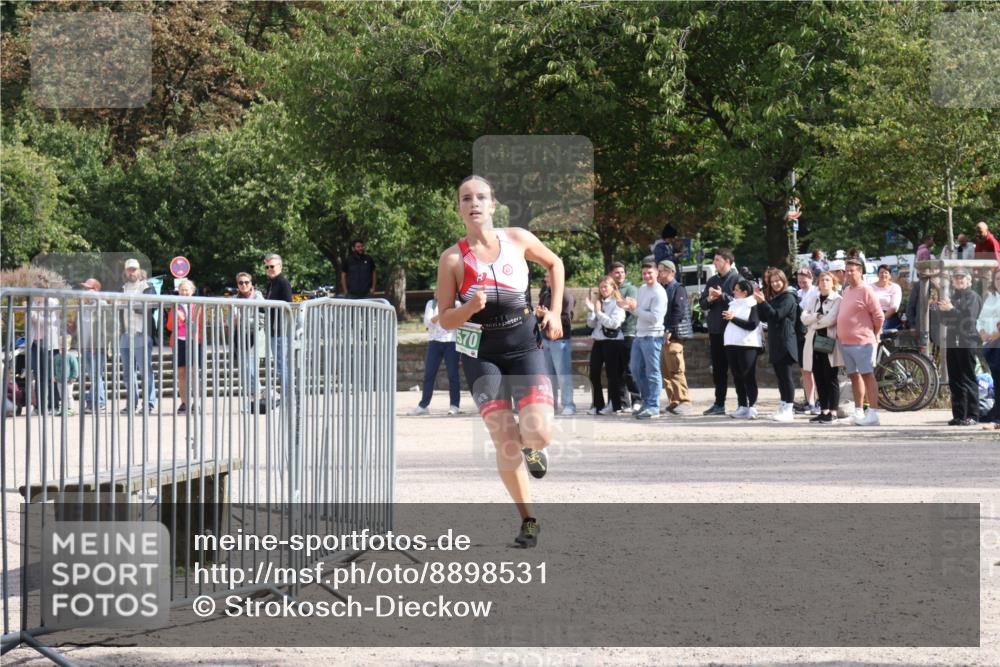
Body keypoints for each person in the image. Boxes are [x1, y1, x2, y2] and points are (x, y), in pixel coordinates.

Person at [435, 175, 564, 548]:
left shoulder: (518, 239)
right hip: (480, 355)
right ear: (459, 208)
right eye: (465, 198)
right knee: (505, 441)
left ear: (493, 205)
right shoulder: (453, 259)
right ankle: (529, 520)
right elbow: (444, 317)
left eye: (481, 197)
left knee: (539, 433)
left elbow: (554, 264)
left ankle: (532, 446)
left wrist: (554, 313)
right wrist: (467, 309)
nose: (474, 203)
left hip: (524, 348)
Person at [836, 258, 884, 426]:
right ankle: (858, 411)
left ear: (860, 272)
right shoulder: (847, 290)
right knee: (854, 377)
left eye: (852, 270)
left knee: (867, 376)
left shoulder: (866, 290)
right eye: (847, 270)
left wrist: (874, 333)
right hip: (846, 342)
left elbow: (879, 317)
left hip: (863, 342)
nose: (848, 273)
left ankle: (873, 413)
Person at [622, 261, 667, 419]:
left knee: (653, 372)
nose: (647, 276)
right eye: (644, 273)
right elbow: (638, 313)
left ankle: (653, 406)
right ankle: (647, 402)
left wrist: (635, 309)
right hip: (639, 335)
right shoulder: (641, 289)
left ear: (657, 274)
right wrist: (627, 307)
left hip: (653, 336)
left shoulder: (659, 293)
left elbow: (655, 318)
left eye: (650, 273)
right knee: (635, 370)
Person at [698, 248, 741, 415]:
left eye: (717, 260)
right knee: (718, 370)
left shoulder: (737, 279)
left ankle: (742, 404)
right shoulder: (712, 280)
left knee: (737, 369)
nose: (715, 263)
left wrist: (722, 295)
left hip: (733, 330)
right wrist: (709, 298)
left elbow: (742, 301)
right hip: (715, 330)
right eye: (714, 260)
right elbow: (702, 304)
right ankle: (719, 404)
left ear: (727, 262)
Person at [753, 269, 799, 422]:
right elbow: (764, 316)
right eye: (772, 282)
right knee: (780, 377)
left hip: (786, 341)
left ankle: (789, 409)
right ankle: (783, 405)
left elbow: (776, 315)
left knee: (786, 377)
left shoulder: (788, 297)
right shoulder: (776, 297)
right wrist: (760, 302)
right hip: (776, 342)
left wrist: (763, 302)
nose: (775, 284)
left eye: (777, 280)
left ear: (783, 280)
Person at [939, 268, 982, 425]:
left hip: (967, 341)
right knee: (955, 379)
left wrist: (951, 310)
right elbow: (944, 321)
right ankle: (959, 415)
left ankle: (973, 415)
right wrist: (942, 310)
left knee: (968, 378)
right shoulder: (953, 297)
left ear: (969, 280)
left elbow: (969, 320)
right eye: (956, 278)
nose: (958, 280)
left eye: (961, 278)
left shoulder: (973, 297)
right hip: (952, 341)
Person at [408, 294, 462, 416]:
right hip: (434, 342)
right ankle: (423, 405)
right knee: (429, 374)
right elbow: (427, 323)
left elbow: (457, 321)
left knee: (453, 375)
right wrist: (443, 315)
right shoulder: (431, 304)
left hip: (451, 342)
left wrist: (439, 318)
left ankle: (454, 405)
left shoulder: (457, 304)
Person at [801, 272, 843, 424]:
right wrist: (816, 318)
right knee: (818, 376)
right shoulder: (813, 298)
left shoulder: (838, 299)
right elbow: (803, 318)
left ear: (833, 283)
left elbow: (831, 320)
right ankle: (823, 410)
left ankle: (833, 412)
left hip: (828, 340)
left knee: (830, 376)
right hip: (814, 340)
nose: (824, 282)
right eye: (821, 280)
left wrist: (814, 320)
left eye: (827, 280)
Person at [119, 258, 158, 414]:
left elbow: (151, 306)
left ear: (139, 270)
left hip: (142, 332)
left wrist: (130, 304)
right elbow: (115, 307)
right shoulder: (121, 288)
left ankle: (148, 403)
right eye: (129, 269)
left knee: (145, 370)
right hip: (125, 333)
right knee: (128, 372)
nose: (131, 272)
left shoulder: (147, 286)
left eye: (134, 269)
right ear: (125, 271)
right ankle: (131, 404)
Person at [584, 276, 626, 415]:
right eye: (601, 287)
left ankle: (613, 404)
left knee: (612, 375)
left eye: (606, 287)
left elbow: (614, 324)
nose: (603, 290)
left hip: (613, 342)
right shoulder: (599, 303)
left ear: (613, 287)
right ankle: (597, 404)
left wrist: (598, 313)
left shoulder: (617, 303)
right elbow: (591, 324)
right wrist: (592, 311)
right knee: (594, 373)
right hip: (599, 341)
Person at [721, 280, 762, 419]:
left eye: (737, 289)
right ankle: (742, 405)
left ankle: (753, 406)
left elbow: (752, 325)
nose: (734, 292)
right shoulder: (733, 303)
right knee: (737, 376)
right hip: (731, 343)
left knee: (748, 375)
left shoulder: (753, 304)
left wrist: (733, 318)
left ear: (745, 292)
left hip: (747, 344)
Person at [536, 273, 576, 415]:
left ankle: (569, 405)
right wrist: (540, 315)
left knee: (563, 375)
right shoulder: (546, 295)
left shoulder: (565, 295)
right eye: (545, 276)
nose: (546, 279)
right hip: (545, 339)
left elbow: (567, 319)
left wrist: (550, 315)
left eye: (549, 276)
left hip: (560, 340)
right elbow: (540, 319)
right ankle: (551, 405)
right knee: (548, 375)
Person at [658, 260, 693, 414]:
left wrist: (669, 329)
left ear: (670, 272)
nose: (658, 274)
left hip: (674, 335)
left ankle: (684, 401)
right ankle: (674, 400)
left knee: (676, 369)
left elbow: (678, 311)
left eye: (661, 271)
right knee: (666, 371)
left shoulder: (678, 289)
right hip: (664, 334)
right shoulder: (662, 288)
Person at [165, 279, 203, 415]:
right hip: (179, 341)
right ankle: (184, 402)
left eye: (187, 289)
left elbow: (199, 325)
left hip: (194, 341)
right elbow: (169, 326)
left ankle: (197, 403)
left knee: (194, 373)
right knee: (181, 373)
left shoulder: (198, 306)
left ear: (192, 291)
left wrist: (184, 319)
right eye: (182, 289)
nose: (184, 292)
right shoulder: (175, 306)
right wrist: (176, 318)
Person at [608, 261, 641, 411]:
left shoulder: (631, 289)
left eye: (622, 272)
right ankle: (623, 402)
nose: (620, 275)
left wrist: (619, 304)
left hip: (629, 332)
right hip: (613, 335)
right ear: (611, 274)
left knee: (630, 369)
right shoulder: (608, 288)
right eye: (616, 272)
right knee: (618, 370)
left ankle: (637, 399)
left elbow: (628, 307)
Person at [232, 271, 265, 410]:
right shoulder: (234, 298)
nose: (244, 285)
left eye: (246, 282)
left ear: (251, 283)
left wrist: (242, 320)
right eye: (241, 283)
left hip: (254, 338)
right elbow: (231, 321)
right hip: (239, 337)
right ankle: (252, 402)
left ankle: (263, 396)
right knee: (244, 372)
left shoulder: (258, 297)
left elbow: (262, 319)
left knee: (251, 370)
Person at [76, 278, 107, 414]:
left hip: (97, 346)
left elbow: (104, 326)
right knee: (93, 376)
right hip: (85, 346)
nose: (85, 291)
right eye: (84, 288)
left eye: (88, 288)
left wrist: (96, 343)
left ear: (96, 289)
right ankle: (95, 401)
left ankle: (98, 402)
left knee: (96, 375)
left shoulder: (101, 304)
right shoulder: (83, 306)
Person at [27, 292, 61, 415]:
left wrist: (35, 316)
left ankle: (54, 406)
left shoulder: (53, 302)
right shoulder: (34, 303)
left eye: (36, 291)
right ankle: (40, 407)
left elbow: (51, 321)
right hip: (35, 343)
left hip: (49, 344)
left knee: (51, 376)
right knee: (38, 375)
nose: (33, 295)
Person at [264, 253, 293, 391]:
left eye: (272, 266)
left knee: (282, 365)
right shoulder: (271, 283)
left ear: (280, 267)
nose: (269, 269)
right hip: (273, 329)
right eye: (267, 266)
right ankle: (287, 394)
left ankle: (288, 395)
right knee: (280, 365)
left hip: (281, 330)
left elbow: (289, 305)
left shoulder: (283, 282)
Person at [794, 267, 820, 414]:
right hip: (800, 334)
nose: (801, 281)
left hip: (814, 332)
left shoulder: (816, 292)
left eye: (804, 278)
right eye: (799, 279)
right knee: (805, 369)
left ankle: (820, 401)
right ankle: (810, 402)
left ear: (811, 278)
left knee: (816, 369)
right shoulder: (797, 293)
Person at [977, 269, 1000, 428]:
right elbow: (980, 320)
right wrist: (982, 331)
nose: (999, 281)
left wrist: (996, 334)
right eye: (997, 278)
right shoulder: (990, 299)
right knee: (997, 382)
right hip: (991, 346)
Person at [872, 264, 903, 331]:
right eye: (881, 272)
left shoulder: (895, 287)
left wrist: (881, 318)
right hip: (872, 315)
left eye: (886, 272)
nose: (883, 275)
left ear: (890, 275)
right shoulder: (870, 287)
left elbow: (894, 307)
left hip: (889, 315)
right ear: (877, 275)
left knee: (880, 330)